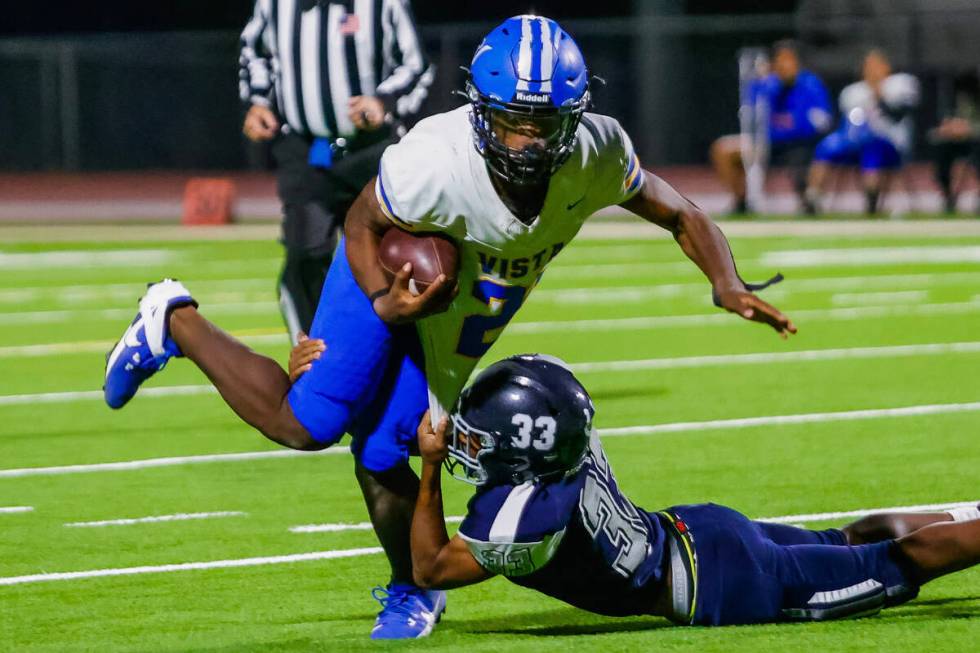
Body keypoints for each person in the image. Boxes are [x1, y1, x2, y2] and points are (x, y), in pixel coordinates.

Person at [103, 15, 795, 640]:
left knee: (383, 451)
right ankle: (174, 317)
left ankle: (411, 591)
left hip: (461, 314)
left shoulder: (597, 153)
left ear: (575, 118)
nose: (527, 141)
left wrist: (725, 279)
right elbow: (362, 223)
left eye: (544, 123)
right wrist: (383, 302)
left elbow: (681, 212)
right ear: (480, 111)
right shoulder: (434, 159)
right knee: (306, 422)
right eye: (512, 121)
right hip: (395, 279)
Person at [409, 353, 980, 628]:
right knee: (849, 539)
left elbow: (432, 568)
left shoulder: (521, 520)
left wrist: (431, 472)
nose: (466, 448)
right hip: (698, 531)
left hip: (718, 583)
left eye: (478, 441)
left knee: (889, 563)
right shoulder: (568, 440)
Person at [239, 0, 434, 342]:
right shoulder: (274, 5)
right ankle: (315, 355)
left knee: (390, 255)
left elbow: (416, 64)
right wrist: (258, 101)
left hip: (371, 150)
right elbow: (254, 52)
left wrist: (383, 101)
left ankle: (397, 353)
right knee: (306, 252)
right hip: (305, 149)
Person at [710, 40, 832, 215]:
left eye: (789, 60)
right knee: (722, 149)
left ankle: (809, 200)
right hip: (765, 144)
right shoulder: (766, 85)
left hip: (800, 144)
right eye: (780, 60)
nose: (784, 65)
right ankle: (742, 202)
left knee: (817, 153)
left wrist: (788, 129)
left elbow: (821, 122)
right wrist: (763, 86)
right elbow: (749, 114)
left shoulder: (811, 85)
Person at [804, 49, 920, 215]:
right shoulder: (853, 92)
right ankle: (812, 197)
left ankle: (872, 202)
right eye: (868, 66)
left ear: (887, 67)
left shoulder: (900, 84)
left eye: (877, 65)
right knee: (826, 146)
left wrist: (879, 95)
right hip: (856, 144)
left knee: (872, 148)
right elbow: (849, 125)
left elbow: (899, 115)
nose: (872, 70)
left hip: (892, 145)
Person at [928, 71, 980, 214]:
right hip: (959, 141)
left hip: (976, 141)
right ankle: (947, 195)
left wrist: (971, 128)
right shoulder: (953, 93)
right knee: (942, 150)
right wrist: (949, 128)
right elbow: (940, 124)